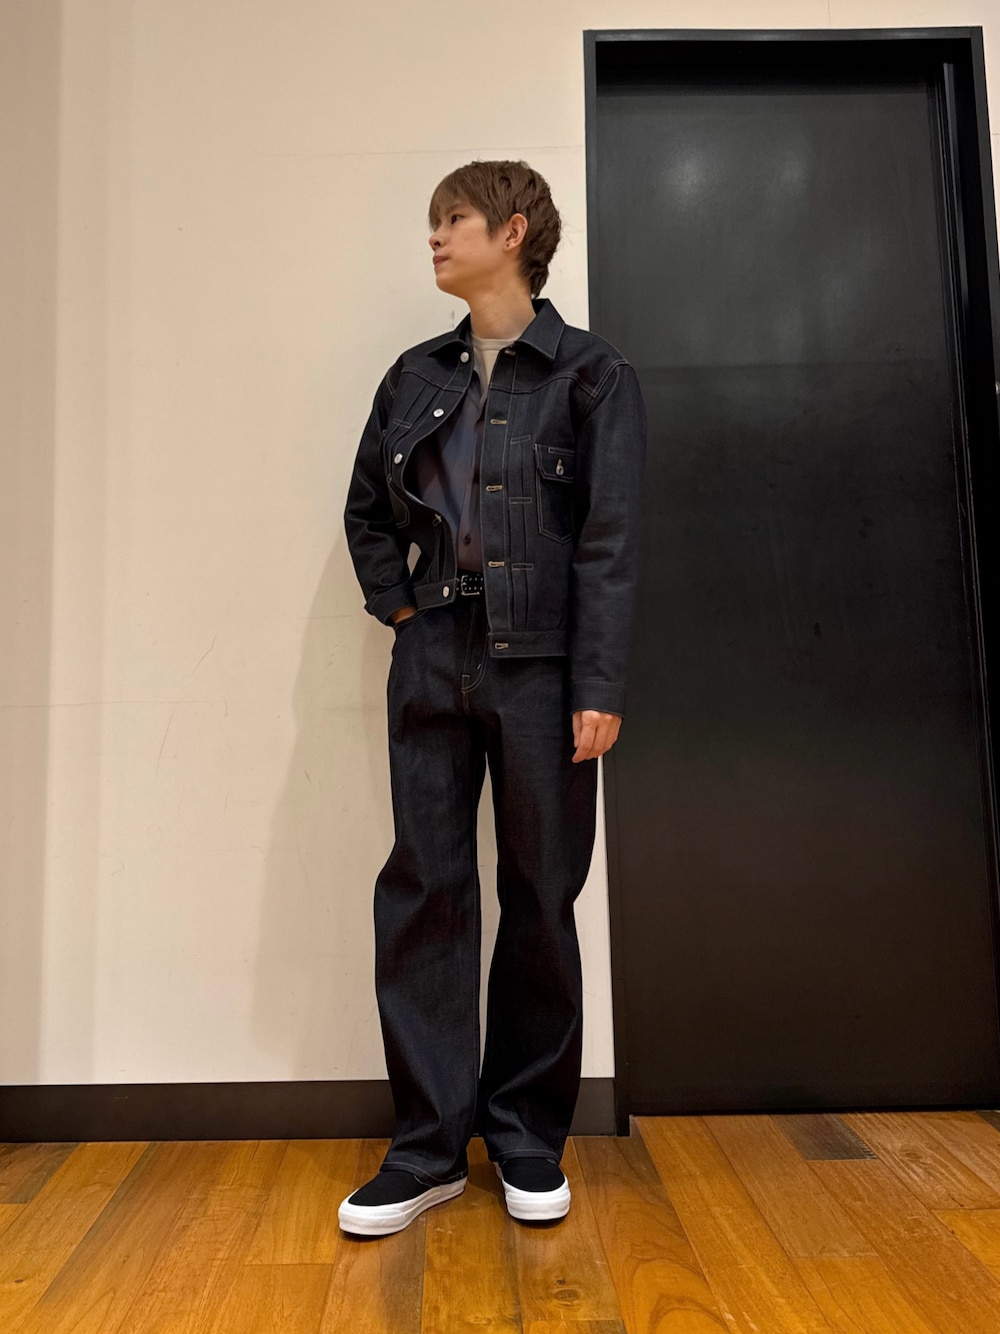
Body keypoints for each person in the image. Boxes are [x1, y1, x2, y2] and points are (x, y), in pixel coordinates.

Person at [340, 159, 647, 1236]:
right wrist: (402, 611)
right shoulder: (413, 375)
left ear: (512, 232)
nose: (435, 238)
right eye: (434, 222)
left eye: (454, 218)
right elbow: (366, 510)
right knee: (424, 888)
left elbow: (609, 542)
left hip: (545, 668)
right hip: (433, 652)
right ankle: (426, 1148)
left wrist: (596, 682)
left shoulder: (590, 374)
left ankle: (525, 1138)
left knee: (540, 892)